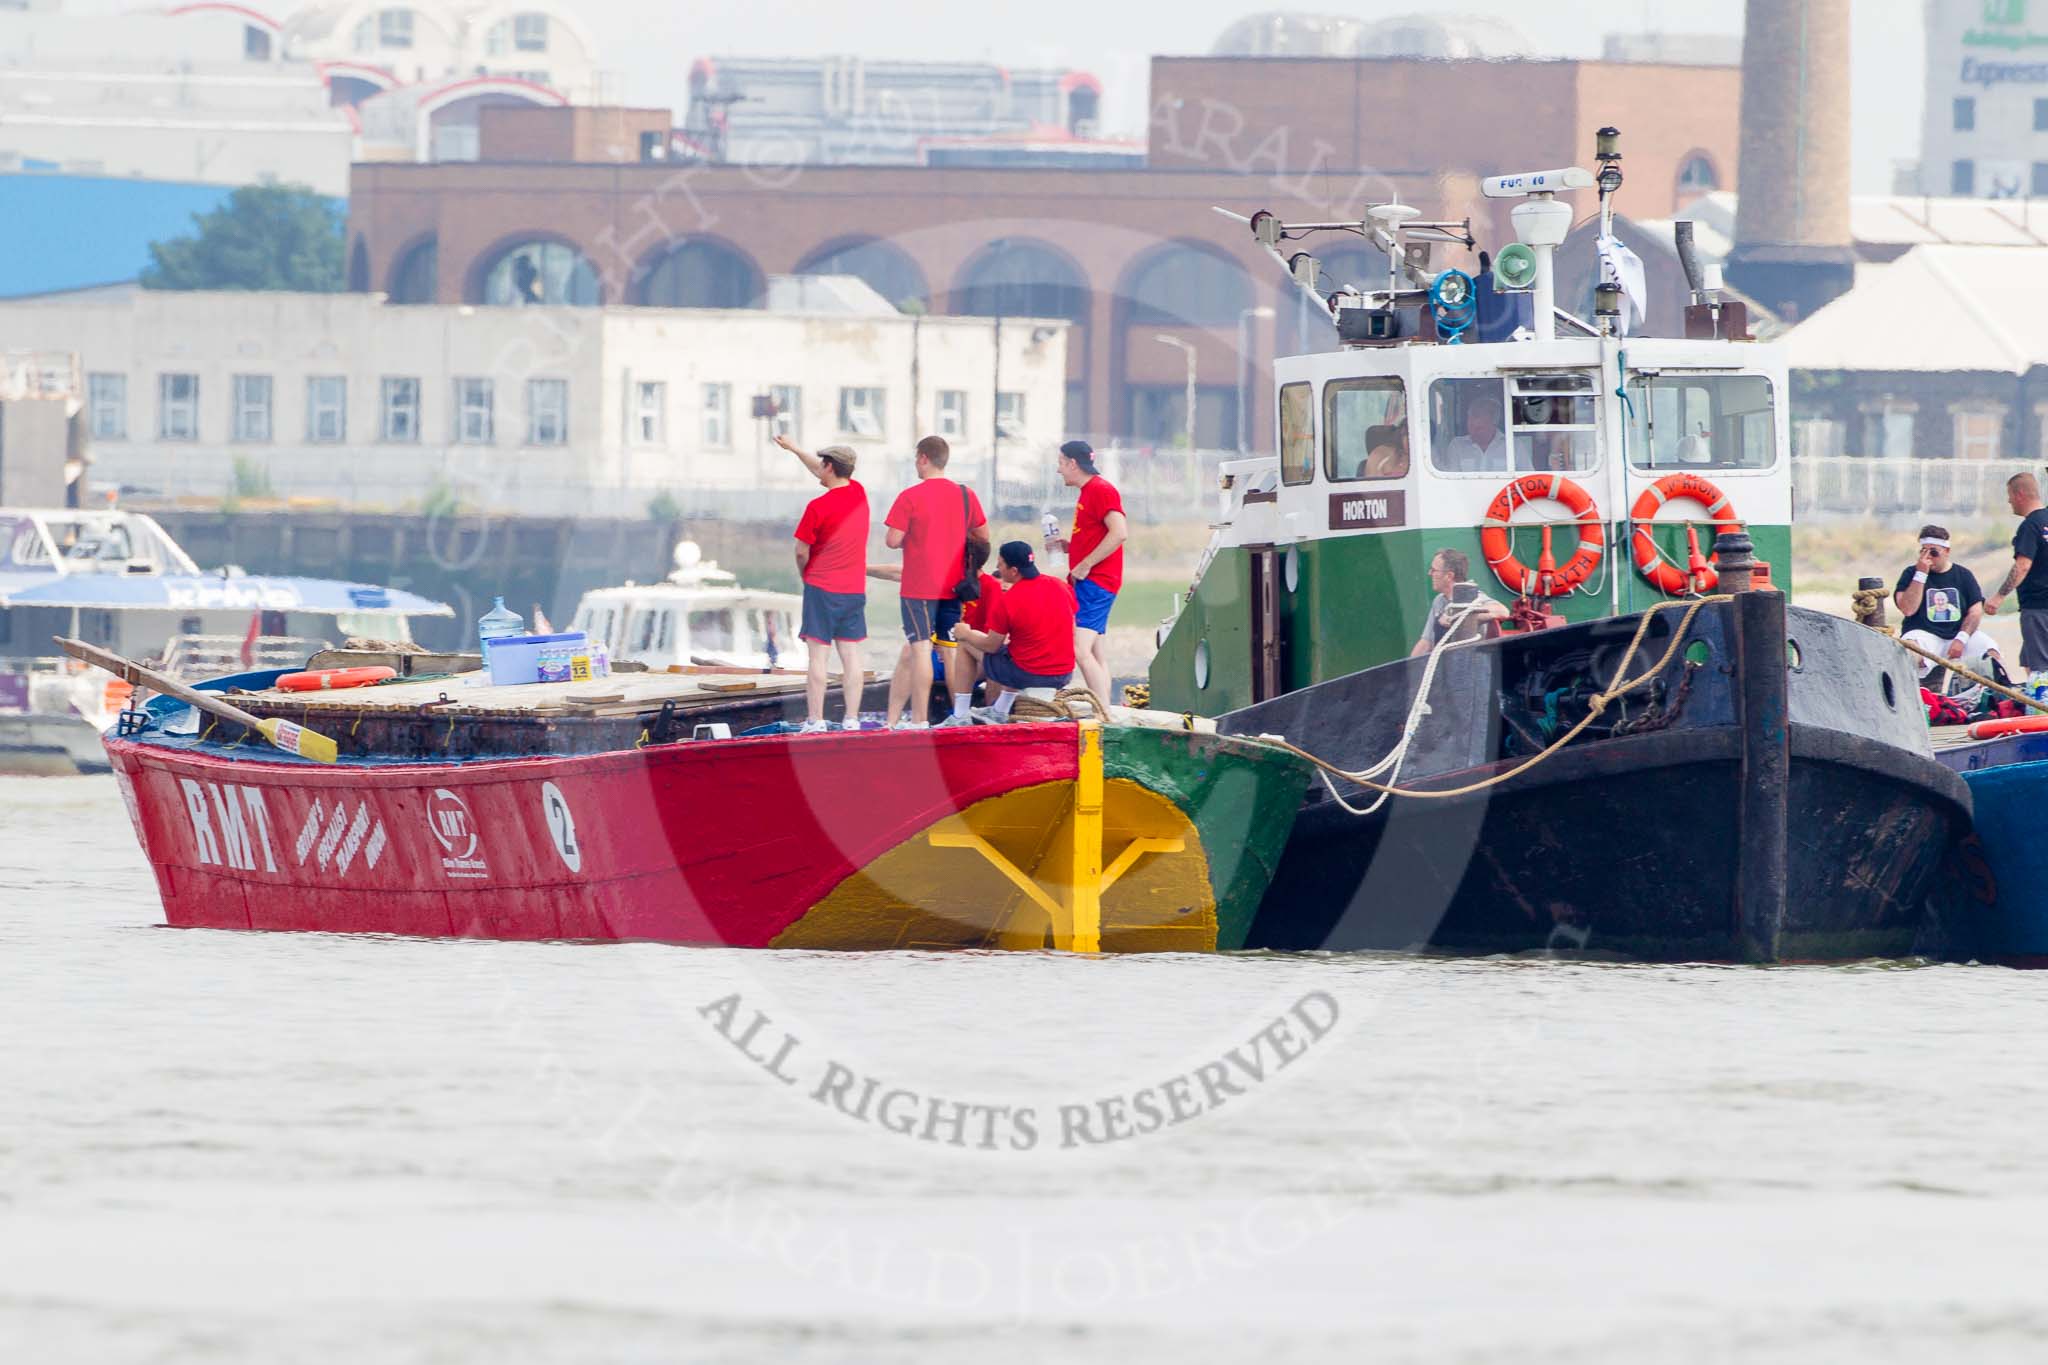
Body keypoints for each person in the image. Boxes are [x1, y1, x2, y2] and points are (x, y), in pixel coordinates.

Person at [881, 434, 989, 727]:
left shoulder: (910, 496)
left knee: (920, 651)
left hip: (918, 588)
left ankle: (918, 720)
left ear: (924, 458)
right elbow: (983, 535)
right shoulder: (966, 495)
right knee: (949, 652)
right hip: (954, 587)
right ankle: (958, 716)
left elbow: (893, 540)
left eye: (917, 458)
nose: (916, 464)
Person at [778, 434, 868, 731]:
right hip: (853, 590)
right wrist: (794, 449)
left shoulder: (817, 507)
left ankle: (815, 720)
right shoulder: (858, 493)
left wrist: (806, 575)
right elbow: (819, 469)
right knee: (851, 655)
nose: (819, 469)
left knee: (818, 655)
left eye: (823, 464)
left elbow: (801, 551)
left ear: (829, 466)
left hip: (822, 587)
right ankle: (852, 719)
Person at [950, 542, 1076, 722]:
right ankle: (1000, 710)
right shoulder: (1060, 586)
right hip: (1064, 673)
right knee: (1016, 651)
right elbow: (1072, 630)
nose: (997, 568)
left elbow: (991, 646)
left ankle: (959, 715)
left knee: (966, 644)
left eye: (1000, 564)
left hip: (1030, 674)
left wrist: (966, 633)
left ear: (1014, 570)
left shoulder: (1009, 598)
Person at [1045, 439, 1126, 703]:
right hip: (1088, 580)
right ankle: (1106, 709)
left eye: (1060, 463)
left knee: (1078, 650)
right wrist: (1071, 547)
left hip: (1097, 581)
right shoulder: (1089, 492)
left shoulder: (1101, 490)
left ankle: (1102, 713)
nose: (1059, 470)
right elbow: (1097, 534)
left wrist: (1087, 563)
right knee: (1095, 652)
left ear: (1072, 463)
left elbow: (1119, 532)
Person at [1892, 523, 2006, 688]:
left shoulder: (1963, 575)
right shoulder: (1911, 573)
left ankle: (2001, 696)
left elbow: (1975, 612)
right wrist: (1920, 575)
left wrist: (1961, 639)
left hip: (1957, 633)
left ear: (1946, 551)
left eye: (1933, 552)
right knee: (1907, 653)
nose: (1928, 557)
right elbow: (1908, 609)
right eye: (1923, 551)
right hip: (1925, 633)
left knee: (1991, 652)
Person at [1985, 472, 2048, 675]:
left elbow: (2022, 566)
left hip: (2038, 607)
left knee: (2040, 671)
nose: (2009, 501)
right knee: (2030, 662)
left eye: (2010, 495)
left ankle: (2040, 705)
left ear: (2020, 494)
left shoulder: (2030, 526)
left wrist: (1999, 596)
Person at [1409, 548, 1510, 657]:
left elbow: (1503, 611)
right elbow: (1426, 642)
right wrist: (1408, 670)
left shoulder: (1475, 599)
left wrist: (1461, 616)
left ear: (1449, 576)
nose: (1429, 573)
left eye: (1434, 570)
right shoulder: (1438, 601)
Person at [950, 539, 1003, 703]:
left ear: (969, 559)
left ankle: (984, 713)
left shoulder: (991, 586)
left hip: (975, 649)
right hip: (948, 648)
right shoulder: (952, 582)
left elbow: (991, 634)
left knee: (994, 665)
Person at [1445, 396, 1507, 471]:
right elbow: (1451, 480)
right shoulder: (1457, 445)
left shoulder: (1514, 446)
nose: (1471, 422)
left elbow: (1524, 479)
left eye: (1476, 416)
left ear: (1494, 421)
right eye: (1469, 417)